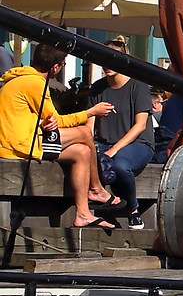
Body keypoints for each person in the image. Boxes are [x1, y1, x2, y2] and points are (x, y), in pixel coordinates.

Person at [0, 44, 114, 231]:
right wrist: (91, 112)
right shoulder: (34, 83)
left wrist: (43, 124)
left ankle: (83, 214)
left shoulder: (19, 79)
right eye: (62, 64)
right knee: (85, 133)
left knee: (82, 152)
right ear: (55, 67)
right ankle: (96, 189)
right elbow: (59, 121)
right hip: (20, 145)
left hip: (20, 139)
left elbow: (31, 118)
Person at [88, 39, 154, 225]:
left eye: (113, 60)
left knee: (120, 165)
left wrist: (113, 150)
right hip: (105, 141)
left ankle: (133, 209)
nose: (107, 65)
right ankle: (95, 208)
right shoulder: (97, 88)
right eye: (103, 59)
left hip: (138, 143)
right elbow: (89, 125)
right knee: (82, 157)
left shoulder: (138, 86)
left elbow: (140, 125)